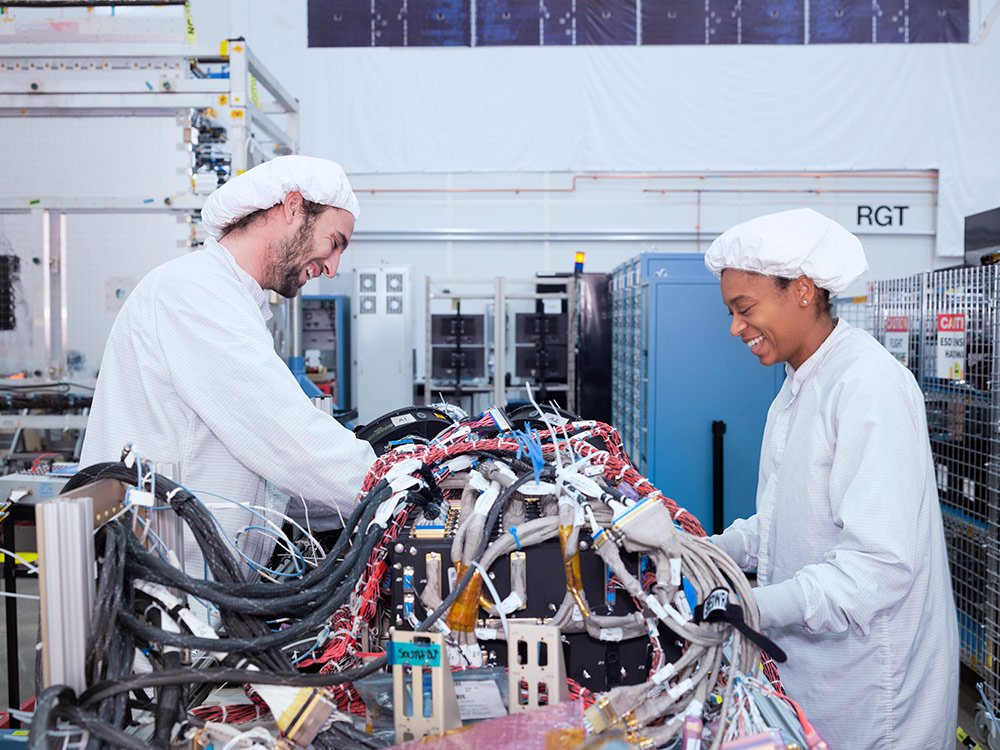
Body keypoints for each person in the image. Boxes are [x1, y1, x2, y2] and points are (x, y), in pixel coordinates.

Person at [703, 208, 959, 749]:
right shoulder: (799, 385)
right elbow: (781, 519)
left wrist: (757, 606)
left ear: (800, 289)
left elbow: (879, 566)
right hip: (813, 677)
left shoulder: (867, 385)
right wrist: (702, 549)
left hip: (869, 692)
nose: (734, 328)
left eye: (744, 308)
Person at [80, 155, 377, 577]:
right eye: (335, 242)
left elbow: (276, 478)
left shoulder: (231, 301)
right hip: (169, 600)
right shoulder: (192, 292)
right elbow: (285, 437)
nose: (332, 268)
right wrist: (394, 483)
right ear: (293, 208)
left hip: (208, 591)